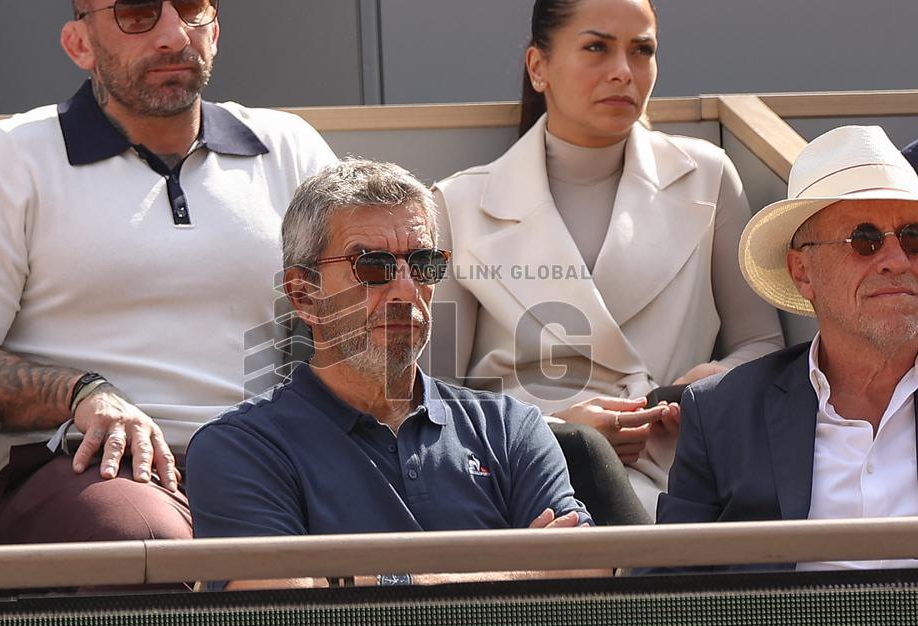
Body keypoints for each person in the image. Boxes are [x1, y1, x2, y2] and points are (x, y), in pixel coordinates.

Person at [0, 0, 337, 546]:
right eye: (137, 14)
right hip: (85, 469)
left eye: (191, 9)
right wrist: (80, 393)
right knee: (148, 544)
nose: (172, 34)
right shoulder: (7, 160)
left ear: (216, 29)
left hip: (271, 464)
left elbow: (364, 314)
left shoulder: (290, 148)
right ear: (79, 44)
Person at [425, 0, 784, 518]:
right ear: (538, 67)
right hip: (523, 484)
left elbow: (762, 345)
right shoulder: (455, 205)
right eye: (597, 47)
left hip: (686, 476)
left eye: (642, 50)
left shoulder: (708, 177)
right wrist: (557, 432)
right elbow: (433, 399)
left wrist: (709, 385)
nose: (623, 71)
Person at [186, 159, 592, 589]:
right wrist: (524, 572)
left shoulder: (511, 426)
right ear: (304, 295)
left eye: (424, 264)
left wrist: (372, 583)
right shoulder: (238, 448)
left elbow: (586, 568)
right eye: (373, 267)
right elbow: (283, 612)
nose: (405, 290)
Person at [657, 125, 918, 572]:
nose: (896, 260)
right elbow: (664, 594)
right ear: (802, 272)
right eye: (864, 241)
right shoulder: (722, 414)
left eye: (913, 237)